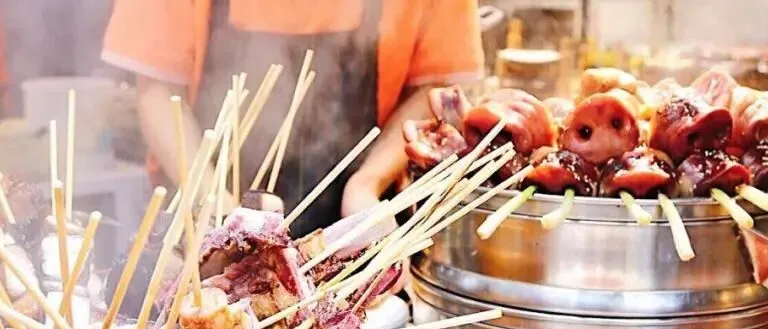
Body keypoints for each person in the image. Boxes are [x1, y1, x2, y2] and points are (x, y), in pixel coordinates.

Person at [101, 0, 484, 237]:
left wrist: (367, 184)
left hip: (357, 224)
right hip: (203, 216)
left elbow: (434, 84)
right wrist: (212, 201)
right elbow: (158, 87)